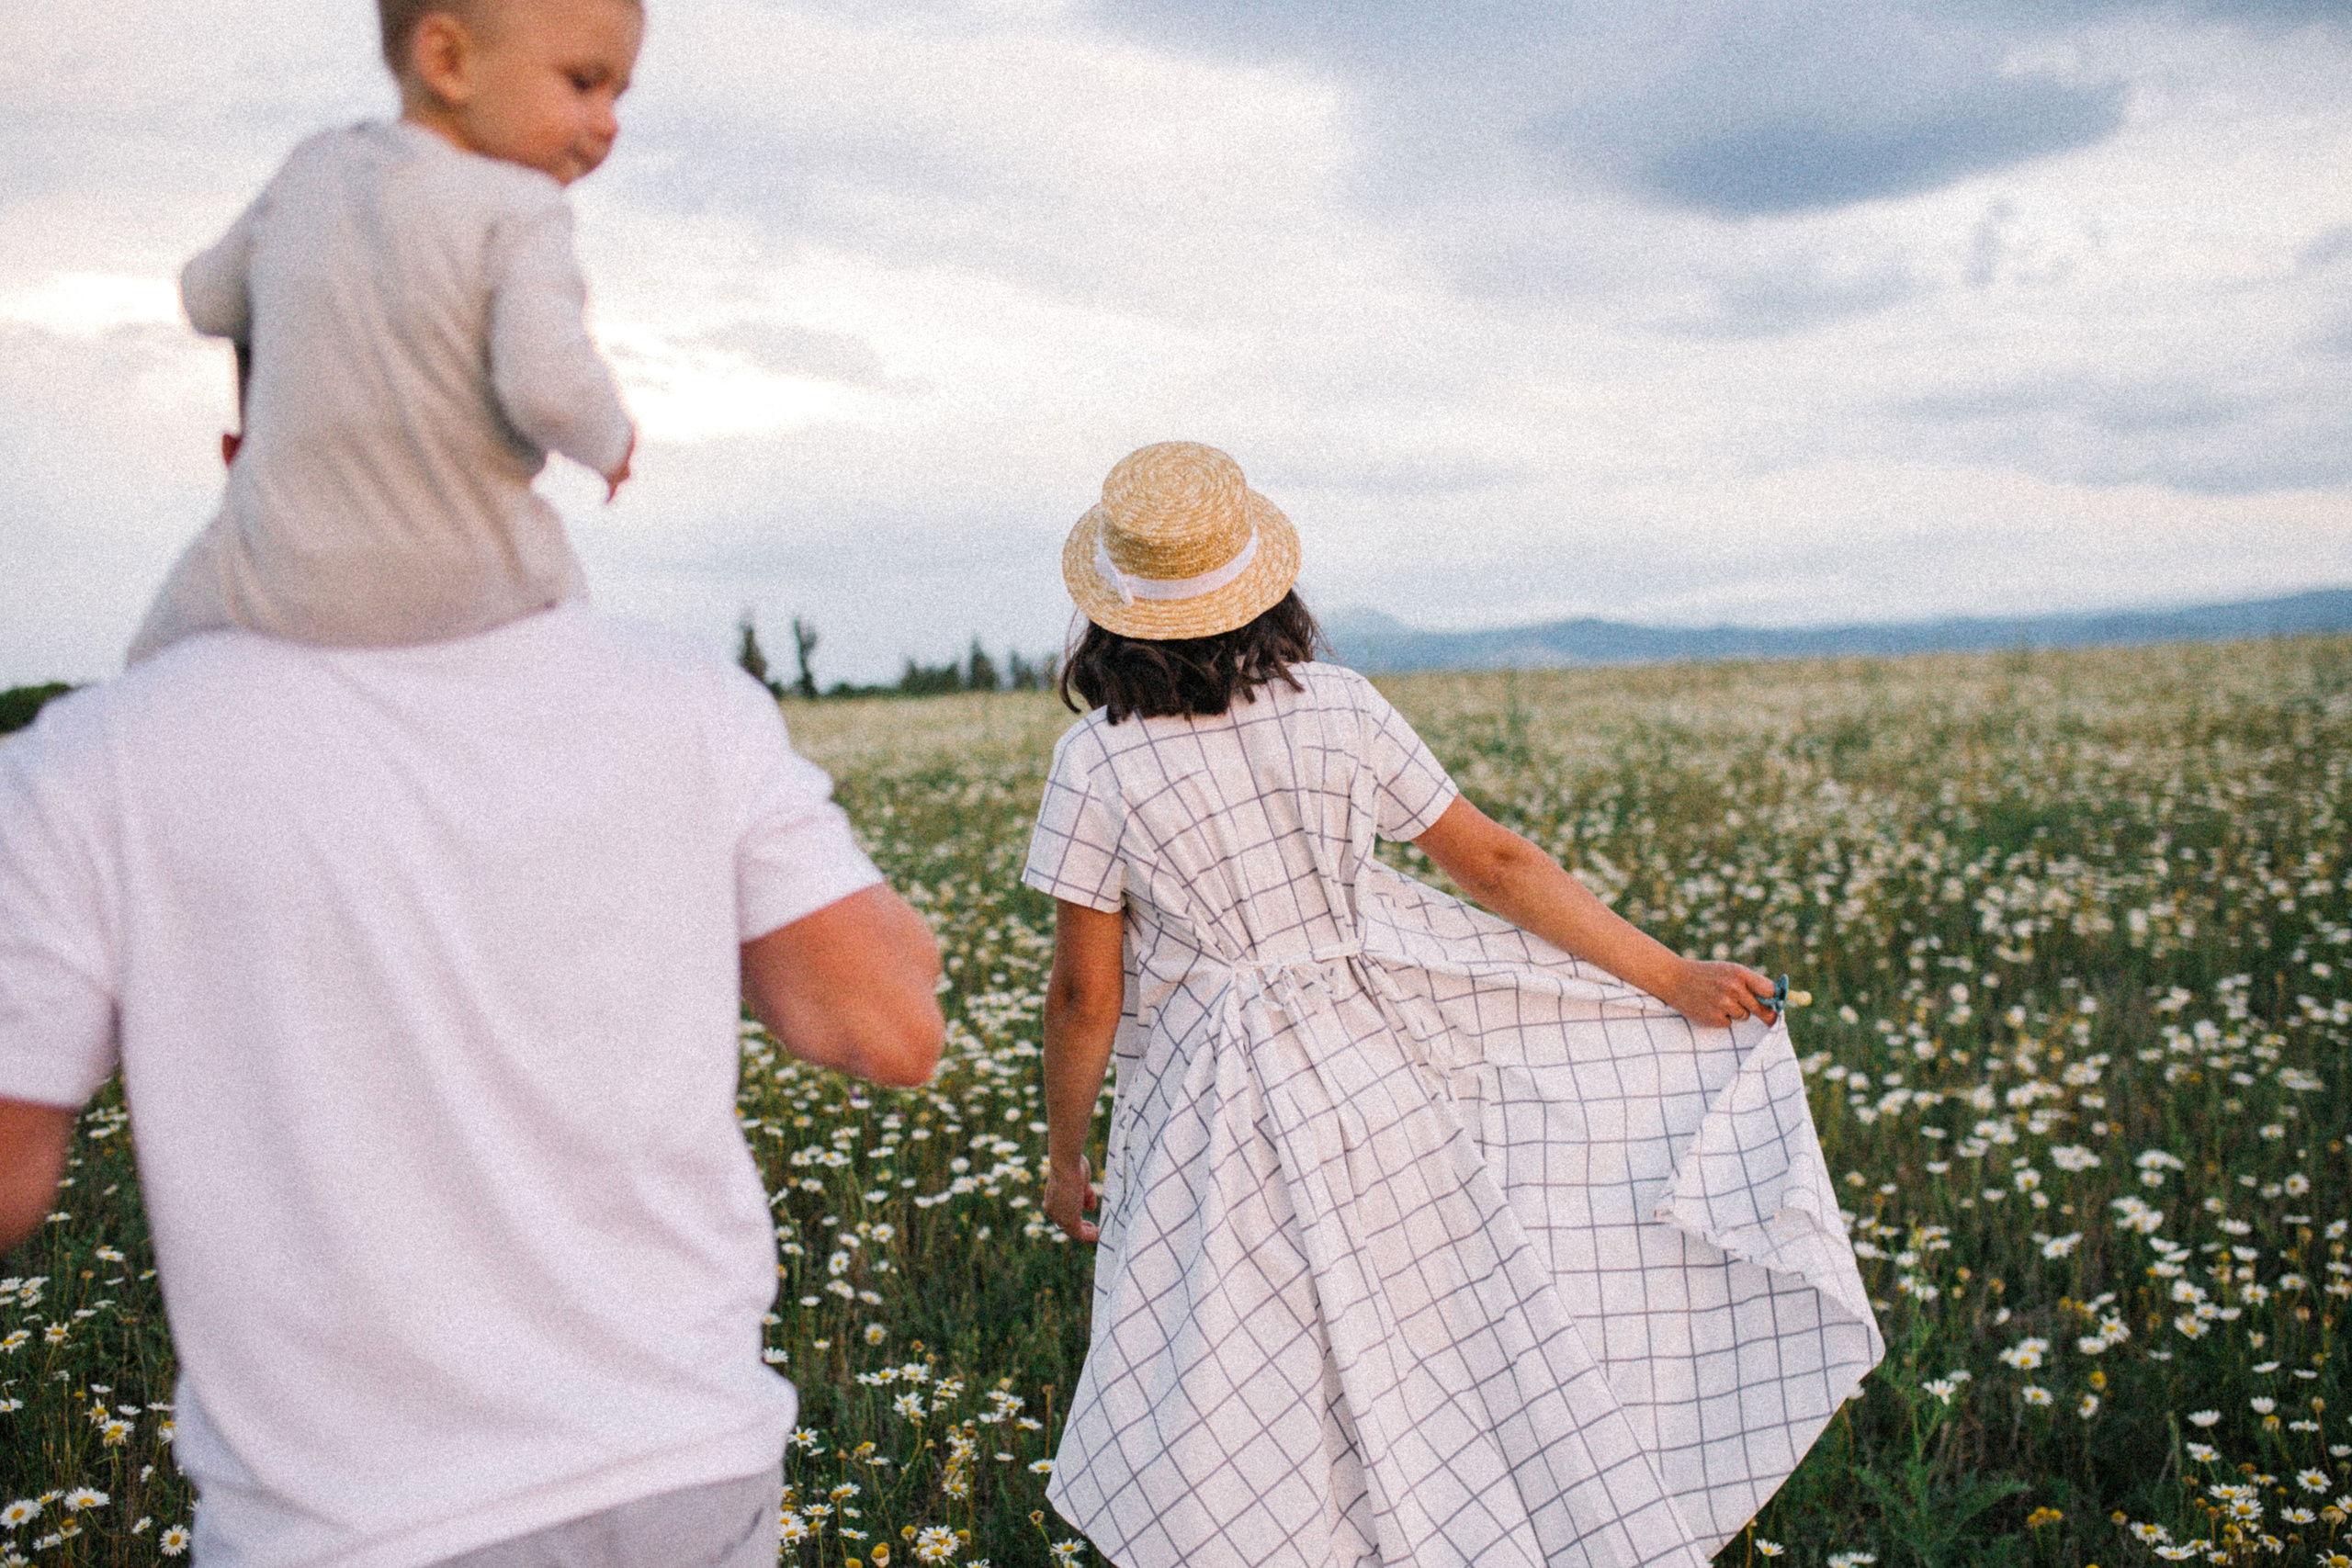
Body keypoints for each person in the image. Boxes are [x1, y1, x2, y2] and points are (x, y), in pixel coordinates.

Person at [1025, 441, 1884, 1568]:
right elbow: (1497, 865)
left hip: (1210, 1123)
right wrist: (1670, 976)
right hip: (1379, 1084)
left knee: (1241, 1396)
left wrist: (1063, 1154)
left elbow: (1088, 995)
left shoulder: (1097, 762)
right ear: (1262, 589)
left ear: (1111, 618)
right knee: (1427, 1361)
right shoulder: (1336, 707)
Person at [0, 602, 944, 1565]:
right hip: (681, 1469)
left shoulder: (97, 756)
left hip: (357, 1520)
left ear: (241, 451)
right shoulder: (685, 696)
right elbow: (897, 1029)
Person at [126, 0, 646, 666]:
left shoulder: (307, 172)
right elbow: (548, 386)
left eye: (616, 95)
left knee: (150, 663)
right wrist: (611, 443)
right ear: (448, 61)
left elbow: (206, 301)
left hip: (278, 578)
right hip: (474, 587)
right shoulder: (523, 208)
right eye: (583, 84)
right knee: (573, 635)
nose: (608, 125)